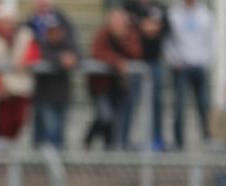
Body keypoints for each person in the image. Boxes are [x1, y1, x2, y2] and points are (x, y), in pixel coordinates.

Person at [85, 8, 142, 150]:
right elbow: (97, 53)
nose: (117, 24)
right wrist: (117, 61)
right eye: (114, 21)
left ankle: (108, 148)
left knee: (115, 118)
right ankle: (89, 138)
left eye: (120, 21)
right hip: (100, 85)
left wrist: (123, 40)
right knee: (105, 116)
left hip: (119, 85)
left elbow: (137, 53)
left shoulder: (130, 35)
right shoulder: (102, 34)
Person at [0, 4, 39, 139]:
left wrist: (25, 61)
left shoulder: (25, 36)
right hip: (3, 92)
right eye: (4, 22)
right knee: (1, 129)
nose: (7, 26)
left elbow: (33, 55)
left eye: (9, 22)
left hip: (22, 88)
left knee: (19, 126)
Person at [164, 0, 212, 149]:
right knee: (179, 106)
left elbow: (212, 40)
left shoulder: (206, 14)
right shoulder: (174, 14)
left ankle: (207, 140)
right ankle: (179, 143)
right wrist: (173, 60)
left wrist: (206, 62)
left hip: (199, 66)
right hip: (181, 67)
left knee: (203, 106)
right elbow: (167, 40)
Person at [125, 0, 170, 151]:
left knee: (157, 103)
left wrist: (150, 26)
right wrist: (143, 26)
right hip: (135, 63)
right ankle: (125, 141)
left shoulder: (160, 8)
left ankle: (156, 140)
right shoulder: (128, 7)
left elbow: (167, 29)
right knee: (131, 102)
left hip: (155, 63)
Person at [33, 17, 79, 149]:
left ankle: (56, 164)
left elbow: (79, 57)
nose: (54, 34)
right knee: (49, 131)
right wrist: (60, 60)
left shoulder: (68, 45)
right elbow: (41, 57)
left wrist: (73, 60)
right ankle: (46, 163)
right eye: (51, 31)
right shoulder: (42, 45)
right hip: (45, 96)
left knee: (59, 132)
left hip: (62, 96)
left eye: (57, 31)